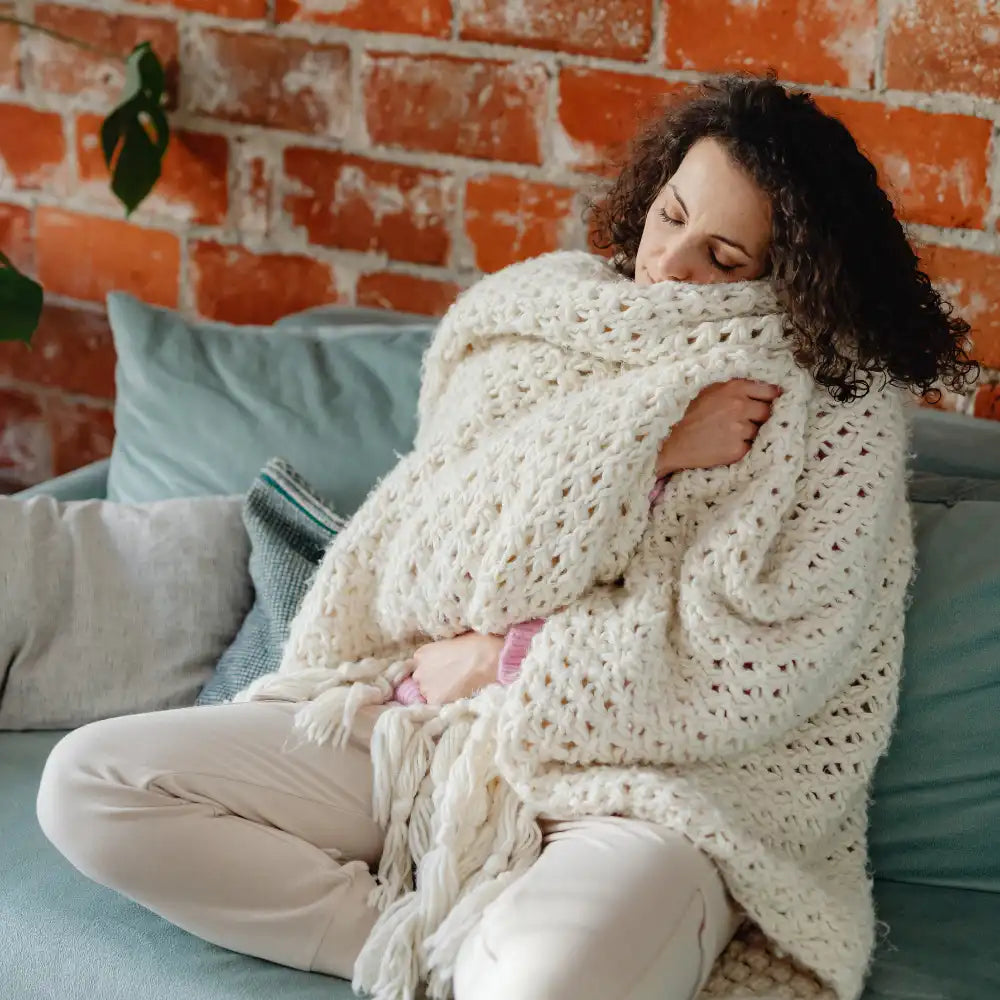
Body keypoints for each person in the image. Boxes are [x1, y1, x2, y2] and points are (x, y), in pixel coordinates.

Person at [37, 72, 976, 1000]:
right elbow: (417, 559)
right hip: (430, 737)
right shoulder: (531, 322)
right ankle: (403, 943)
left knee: (544, 981)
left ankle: (486, 940)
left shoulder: (835, 414)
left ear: (796, 273)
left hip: (658, 793)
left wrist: (507, 657)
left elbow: (749, 671)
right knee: (90, 784)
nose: (671, 264)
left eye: (724, 258)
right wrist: (642, 449)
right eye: (670, 217)